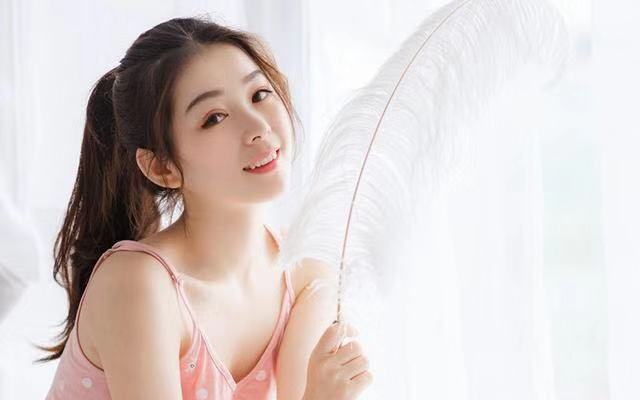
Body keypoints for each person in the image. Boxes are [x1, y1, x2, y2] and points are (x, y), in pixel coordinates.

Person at [36, 16, 372, 400]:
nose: (258, 126)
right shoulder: (139, 284)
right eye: (214, 118)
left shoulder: (304, 274)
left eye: (259, 94)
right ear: (162, 167)